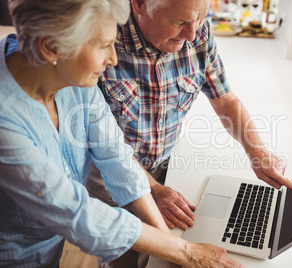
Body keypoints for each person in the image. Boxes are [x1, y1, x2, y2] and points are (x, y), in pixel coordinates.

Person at [0, 0, 242, 267]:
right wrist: (185, 251)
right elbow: (77, 213)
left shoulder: (70, 75)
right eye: (103, 46)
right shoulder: (5, 121)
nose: (113, 58)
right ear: (50, 47)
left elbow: (117, 156)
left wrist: (171, 245)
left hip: (50, 247)